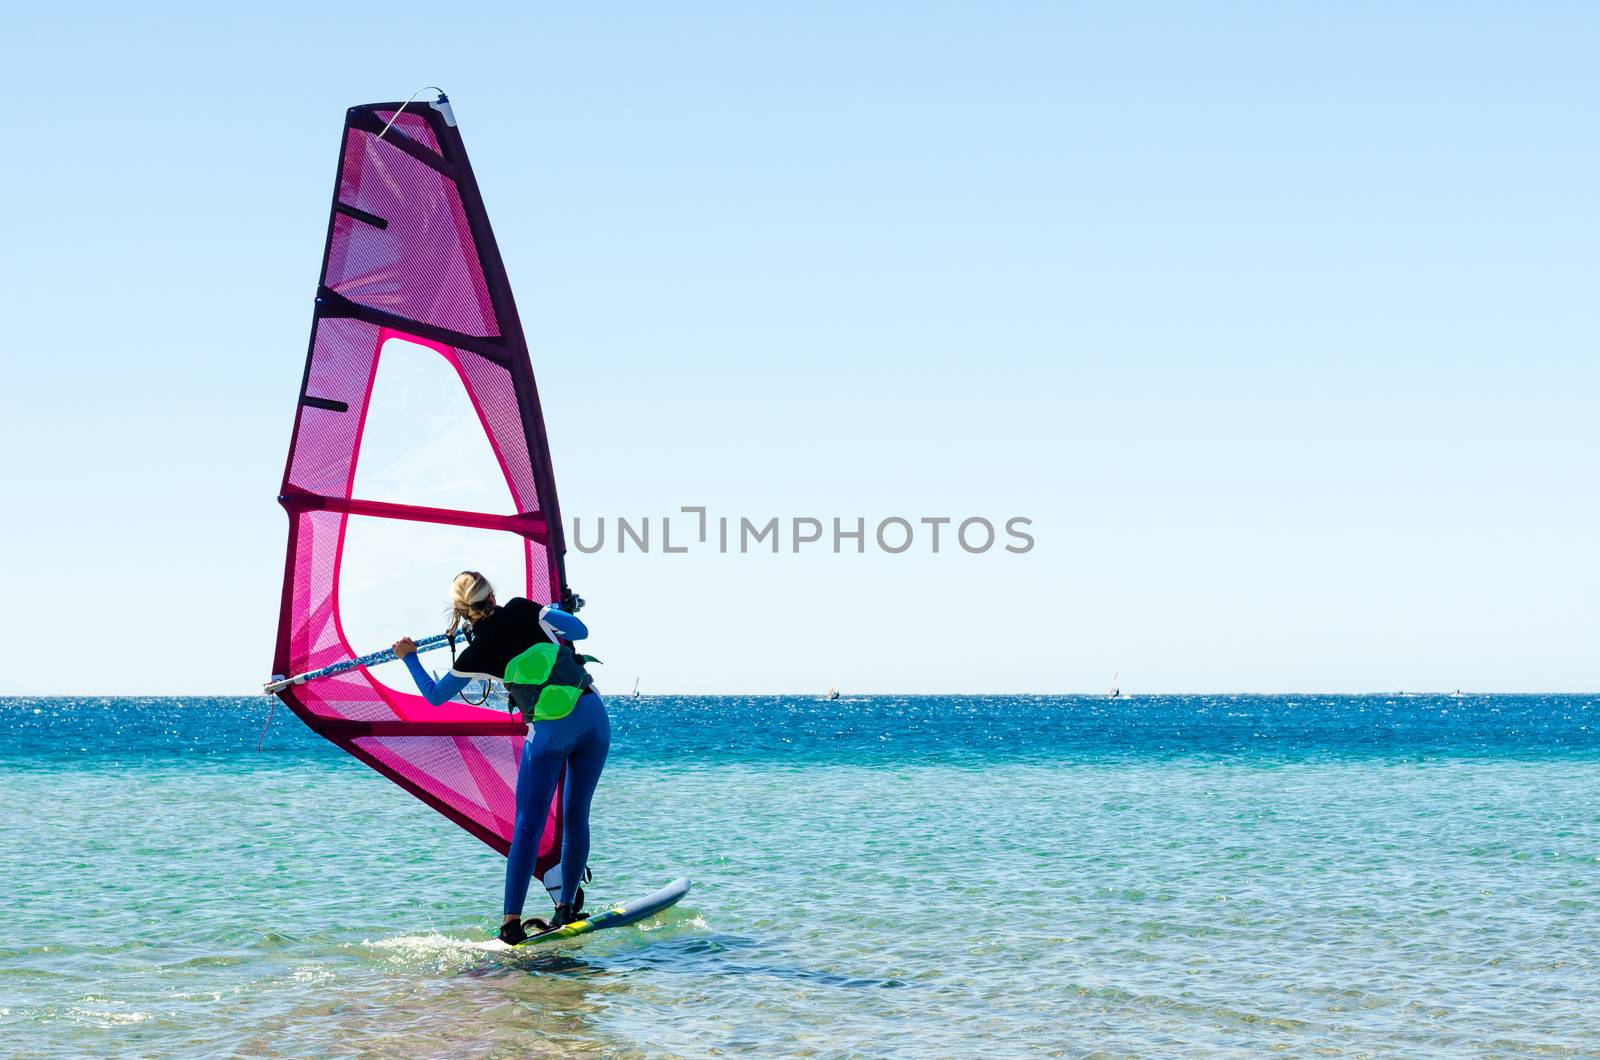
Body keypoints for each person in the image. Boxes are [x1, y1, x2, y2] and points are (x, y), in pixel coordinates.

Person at [393, 571, 609, 944]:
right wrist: (557, 614)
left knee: (527, 825)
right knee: (577, 817)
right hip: (593, 718)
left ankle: (511, 923)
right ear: (493, 595)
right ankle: (566, 910)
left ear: (461, 611)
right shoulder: (527, 609)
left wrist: (409, 658)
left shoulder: (476, 653)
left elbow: (433, 696)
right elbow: (580, 632)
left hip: (549, 734)